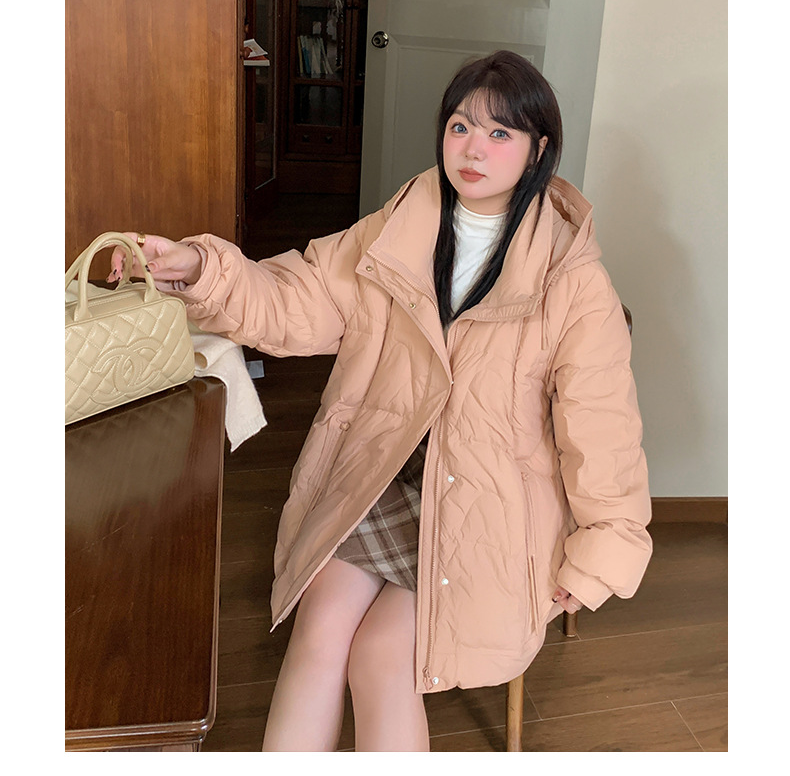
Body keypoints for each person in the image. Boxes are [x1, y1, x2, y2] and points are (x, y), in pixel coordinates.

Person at [109, 51, 652, 752]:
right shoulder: (403, 223)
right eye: (461, 126)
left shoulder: (573, 280)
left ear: (539, 149)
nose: (473, 149)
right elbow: (300, 295)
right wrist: (199, 269)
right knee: (319, 628)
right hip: (387, 474)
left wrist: (602, 550)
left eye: (500, 133)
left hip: (490, 508)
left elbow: (603, 428)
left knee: (381, 658)